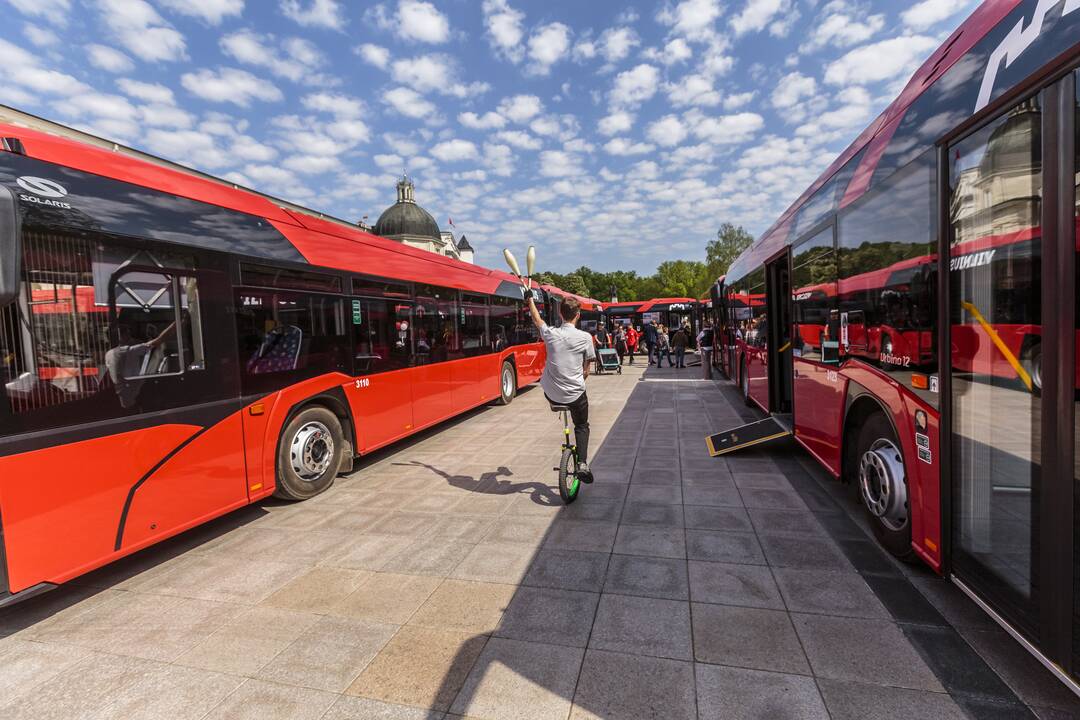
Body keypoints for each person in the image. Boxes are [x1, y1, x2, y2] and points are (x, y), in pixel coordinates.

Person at [524, 289, 596, 480]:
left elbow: (537, 319)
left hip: (552, 394)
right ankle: (582, 463)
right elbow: (587, 370)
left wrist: (530, 300)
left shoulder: (550, 333)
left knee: (555, 391)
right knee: (581, 425)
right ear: (578, 315)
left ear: (560, 314)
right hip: (575, 395)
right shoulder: (586, 338)